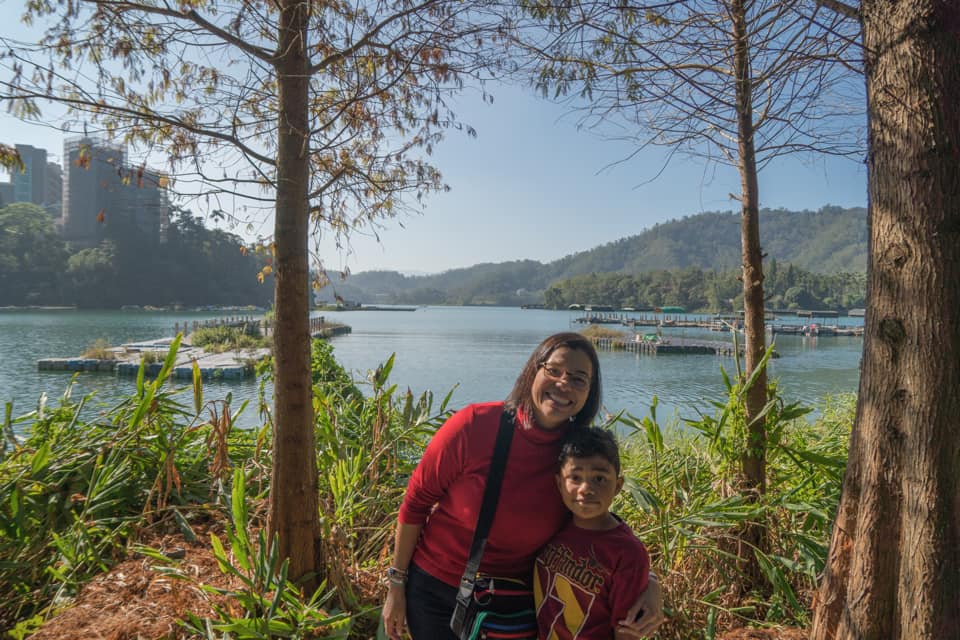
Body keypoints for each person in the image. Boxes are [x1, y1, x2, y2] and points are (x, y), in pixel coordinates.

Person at [381, 332, 663, 640]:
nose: (563, 384)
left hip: (514, 602)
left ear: (589, 393)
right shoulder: (474, 425)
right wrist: (396, 584)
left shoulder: (575, 457)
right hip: (436, 592)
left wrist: (648, 582)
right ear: (533, 370)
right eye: (553, 370)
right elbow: (416, 503)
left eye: (578, 379)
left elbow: (594, 526)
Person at [534, 427, 649, 639]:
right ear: (559, 483)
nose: (585, 488)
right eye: (575, 477)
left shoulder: (627, 553)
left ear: (618, 485)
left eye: (599, 478)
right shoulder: (554, 523)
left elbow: (627, 632)